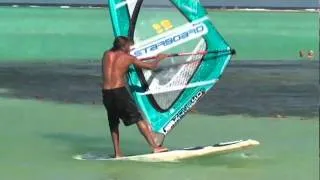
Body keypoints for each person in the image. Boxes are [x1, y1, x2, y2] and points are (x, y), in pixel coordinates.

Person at [101, 36, 168, 158]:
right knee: (138, 119)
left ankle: (117, 153)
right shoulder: (128, 58)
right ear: (124, 47)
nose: (130, 48)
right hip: (119, 92)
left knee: (113, 123)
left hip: (106, 93)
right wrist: (159, 58)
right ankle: (155, 147)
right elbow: (151, 67)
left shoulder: (106, 54)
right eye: (128, 46)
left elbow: (115, 67)